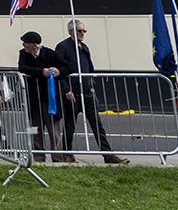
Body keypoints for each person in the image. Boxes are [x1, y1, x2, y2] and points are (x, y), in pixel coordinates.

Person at [54, 21, 129, 164]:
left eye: (83, 31)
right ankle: (66, 154)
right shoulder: (63, 47)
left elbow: (89, 68)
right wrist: (66, 90)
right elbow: (59, 70)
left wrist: (92, 85)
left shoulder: (84, 48)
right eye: (79, 31)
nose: (82, 33)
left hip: (87, 92)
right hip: (72, 93)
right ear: (71, 32)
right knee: (70, 125)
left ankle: (108, 155)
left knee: (97, 125)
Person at [17, 30, 69, 161]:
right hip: (34, 99)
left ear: (34, 45)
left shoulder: (50, 54)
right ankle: (38, 157)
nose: (23, 45)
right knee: (35, 130)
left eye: (26, 43)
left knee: (54, 130)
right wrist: (41, 72)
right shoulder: (23, 54)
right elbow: (22, 68)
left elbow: (68, 67)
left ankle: (57, 158)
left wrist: (58, 71)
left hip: (49, 98)